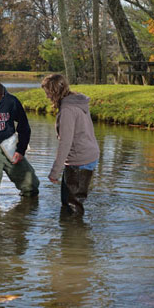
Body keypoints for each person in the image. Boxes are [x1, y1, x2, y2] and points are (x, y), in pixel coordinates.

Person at [41, 74, 100, 214]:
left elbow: (65, 143)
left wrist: (55, 172)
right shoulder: (77, 103)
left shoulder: (67, 110)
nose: (47, 96)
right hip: (88, 155)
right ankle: (71, 232)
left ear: (55, 92)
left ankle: (74, 234)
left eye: (48, 93)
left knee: (72, 208)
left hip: (80, 159)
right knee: (70, 202)